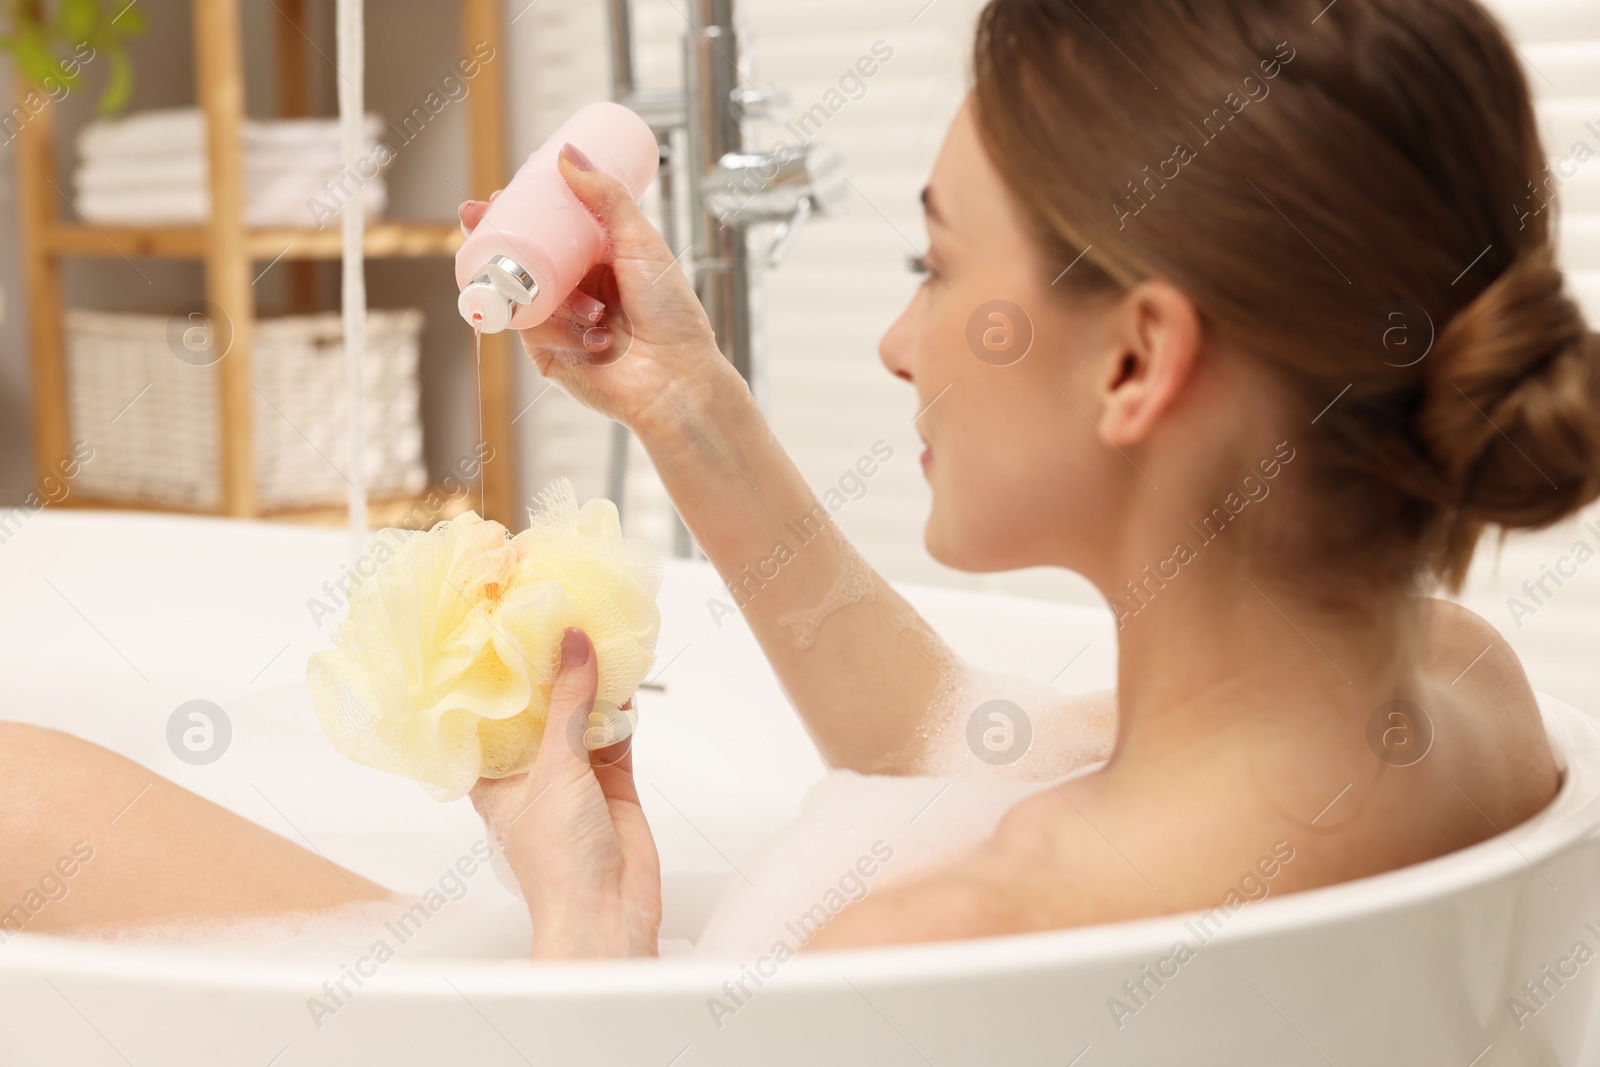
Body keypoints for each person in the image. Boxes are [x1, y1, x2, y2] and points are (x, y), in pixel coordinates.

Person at [2, 0, 1593, 956]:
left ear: (1136, 363)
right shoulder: (1463, 703)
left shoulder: (943, 939)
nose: (899, 343)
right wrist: (687, 406)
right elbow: (945, 747)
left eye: (934, 262)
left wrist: (581, 935)